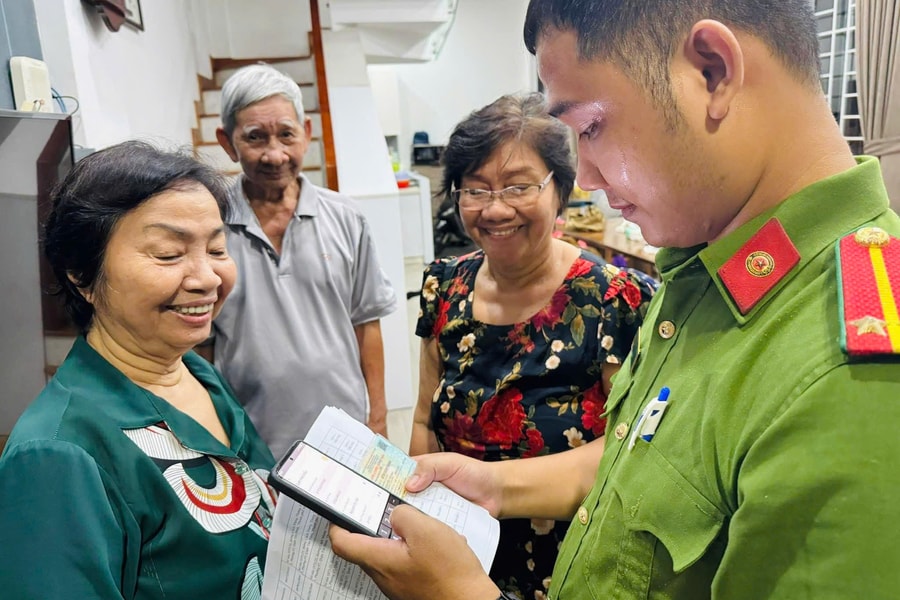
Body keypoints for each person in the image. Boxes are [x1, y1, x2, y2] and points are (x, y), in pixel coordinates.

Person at [329, 0, 900, 598]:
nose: (592, 178)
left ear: (712, 72)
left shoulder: (850, 374)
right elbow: (639, 465)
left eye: (592, 128)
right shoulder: (703, 277)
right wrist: (494, 488)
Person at [0, 141, 277, 598]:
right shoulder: (58, 454)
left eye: (216, 248)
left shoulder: (198, 374)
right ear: (81, 274)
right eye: (169, 254)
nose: (207, 278)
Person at [410, 93, 656, 599]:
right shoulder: (444, 287)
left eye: (518, 186)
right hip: (461, 556)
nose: (495, 209)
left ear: (559, 190)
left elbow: (632, 451)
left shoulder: (613, 298)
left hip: (574, 557)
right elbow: (421, 420)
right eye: (475, 190)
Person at [210, 64, 397, 459]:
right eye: (255, 138)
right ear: (228, 143)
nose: (275, 154)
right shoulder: (209, 226)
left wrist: (377, 420)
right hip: (249, 440)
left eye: (286, 135)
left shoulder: (346, 218)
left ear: (306, 134)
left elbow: (367, 324)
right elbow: (201, 345)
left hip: (347, 435)